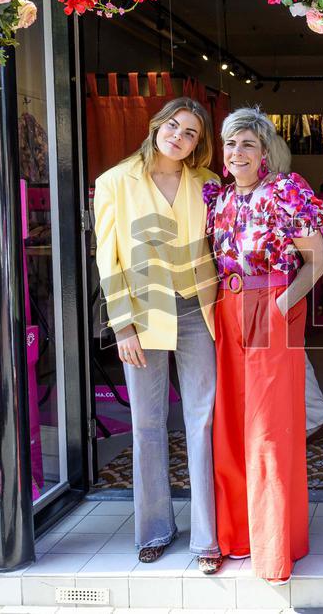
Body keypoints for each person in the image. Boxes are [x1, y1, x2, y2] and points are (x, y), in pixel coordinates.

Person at [92, 97, 223, 573]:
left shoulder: (208, 184)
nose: (179, 137)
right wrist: (121, 324)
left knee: (202, 421)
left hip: (198, 312)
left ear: (197, 145)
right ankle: (154, 530)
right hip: (143, 317)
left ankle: (208, 536)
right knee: (147, 426)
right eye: (174, 126)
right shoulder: (113, 183)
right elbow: (109, 259)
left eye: (190, 133)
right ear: (156, 126)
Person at [204, 107, 323, 583]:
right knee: (232, 425)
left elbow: (314, 262)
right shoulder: (218, 197)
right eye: (231, 143)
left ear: (264, 153)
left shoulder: (284, 191)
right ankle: (239, 535)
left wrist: (279, 306)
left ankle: (274, 545)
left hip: (267, 304)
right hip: (226, 306)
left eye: (247, 145)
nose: (237, 153)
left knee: (268, 426)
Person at [266, 137, 323, 441]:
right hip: (283, 284)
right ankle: (315, 414)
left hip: (280, 285)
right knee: (290, 355)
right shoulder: (274, 187)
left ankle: (312, 415)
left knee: (285, 356)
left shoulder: (286, 189)